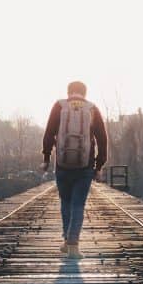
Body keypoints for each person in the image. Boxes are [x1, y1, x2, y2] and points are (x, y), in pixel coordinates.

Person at [42, 80, 108, 259]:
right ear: (84, 93)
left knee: (65, 202)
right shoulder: (92, 108)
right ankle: (72, 244)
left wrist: (46, 158)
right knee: (78, 204)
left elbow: (49, 133)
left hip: (62, 164)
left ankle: (67, 240)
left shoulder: (59, 106)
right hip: (84, 165)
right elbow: (102, 139)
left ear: (69, 92)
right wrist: (99, 165)